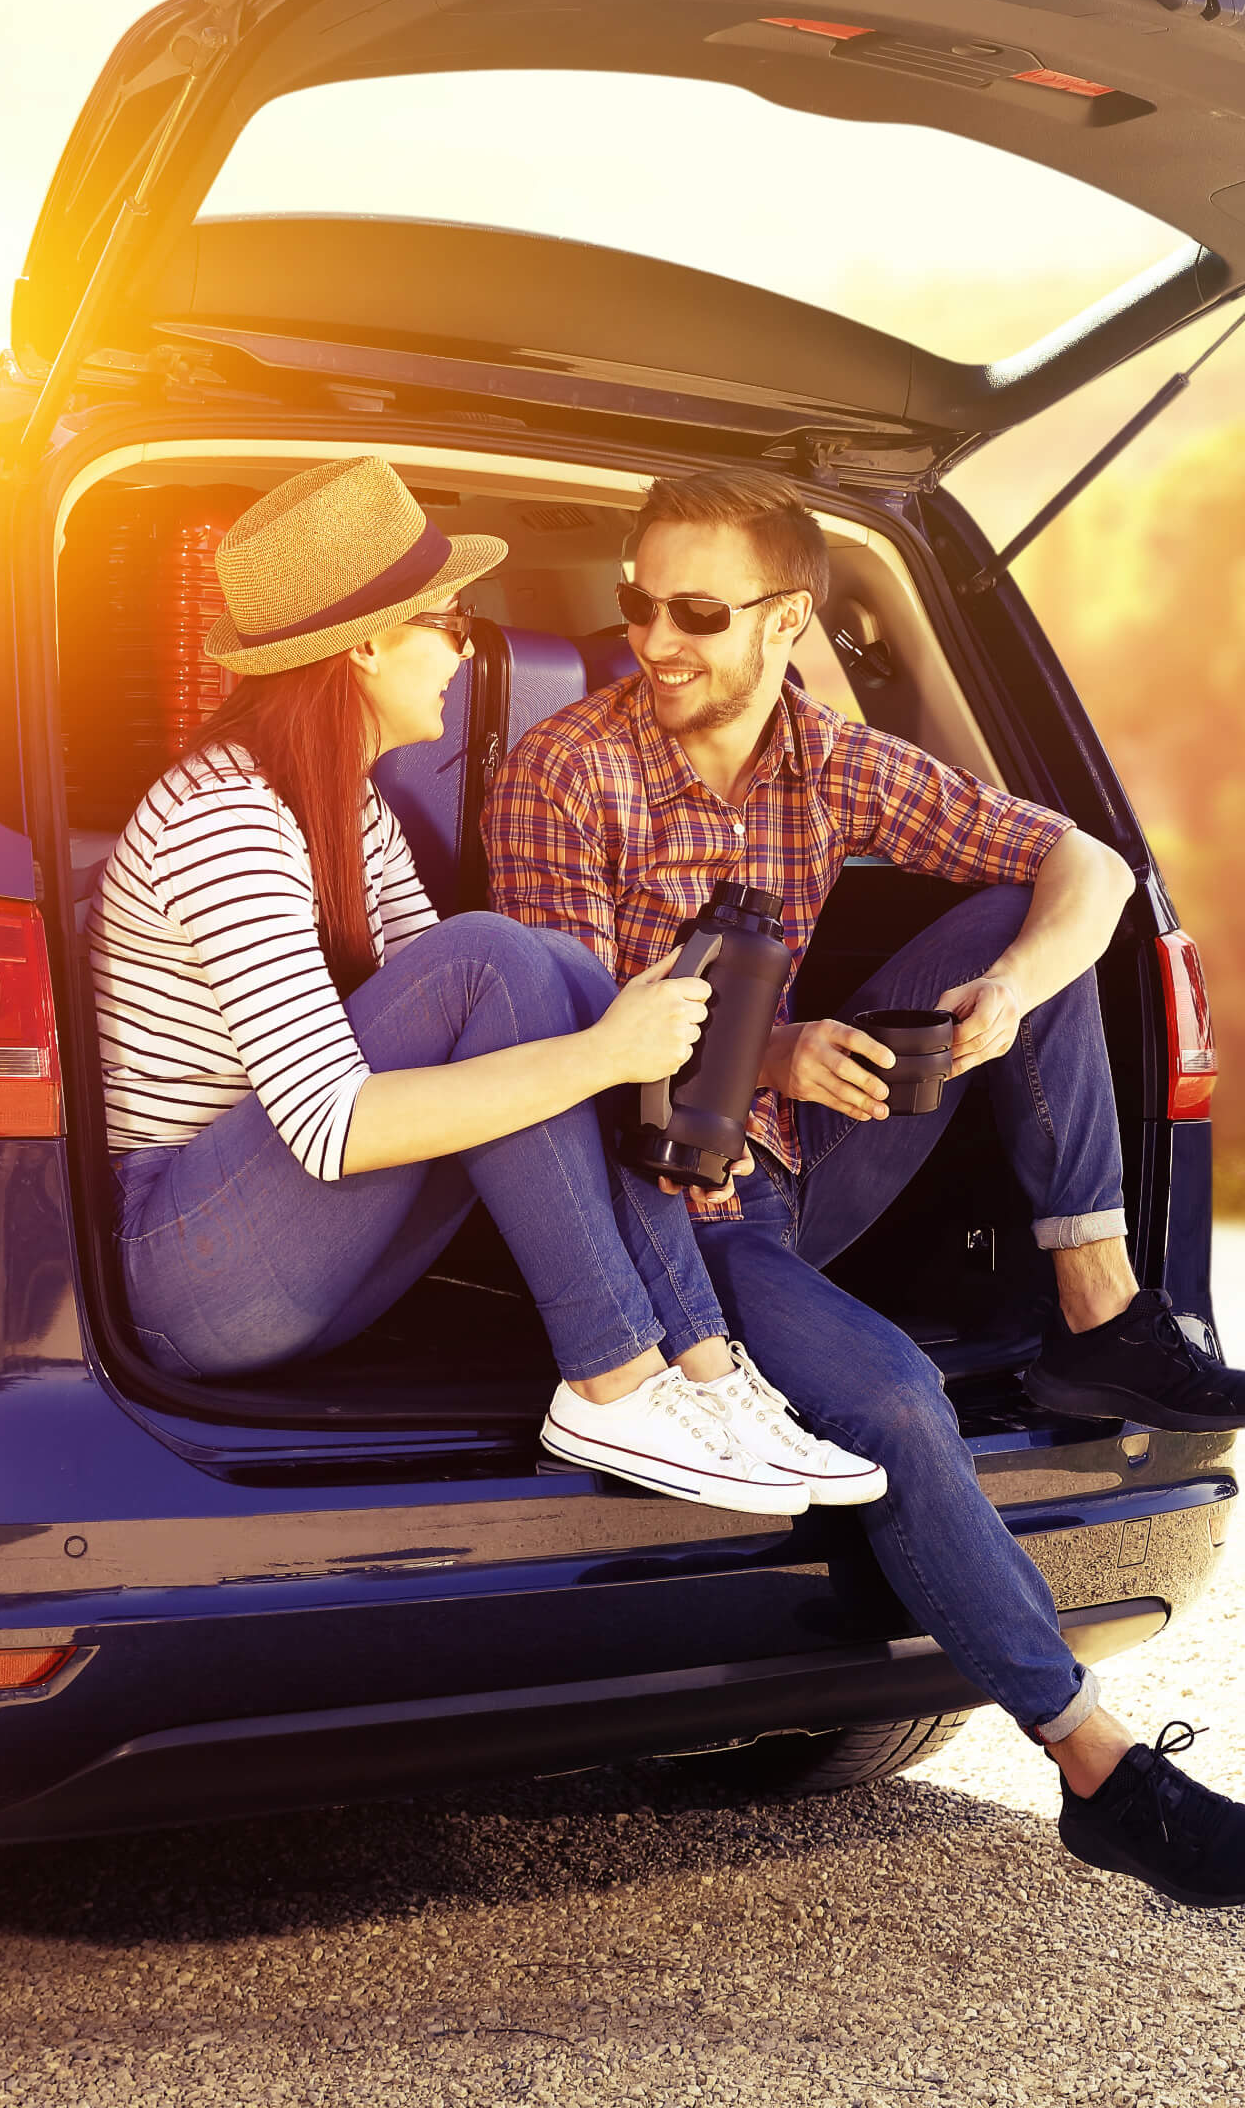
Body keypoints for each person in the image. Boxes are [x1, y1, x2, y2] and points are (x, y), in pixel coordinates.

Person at [483, 462, 1245, 1906]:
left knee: (1020, 925)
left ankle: (1101, 1317)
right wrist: (776, 1052)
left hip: (780, 1167)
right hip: (656, 1218)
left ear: (786, 624)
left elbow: (1082, 862)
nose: (654, 640)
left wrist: (1012, 991)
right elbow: (568, 1068)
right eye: (638, 604)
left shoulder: (828, 761)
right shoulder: (564, 774)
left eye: (697, 610)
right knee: (898, 1397)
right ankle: (1107, 1779)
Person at [89, 455, 884, 1519]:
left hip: (297, 1259)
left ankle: (700, 1369)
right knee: (507, 960)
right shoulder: (223, 816)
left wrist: (599, 1039)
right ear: (366, 643)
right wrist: (606, 1054)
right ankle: (610, 1378)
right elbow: (332, 1126)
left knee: (542, 968)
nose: (464, 653)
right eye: (450, 624)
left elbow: (488, 1023)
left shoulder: (346, 811)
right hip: (193, 1276)